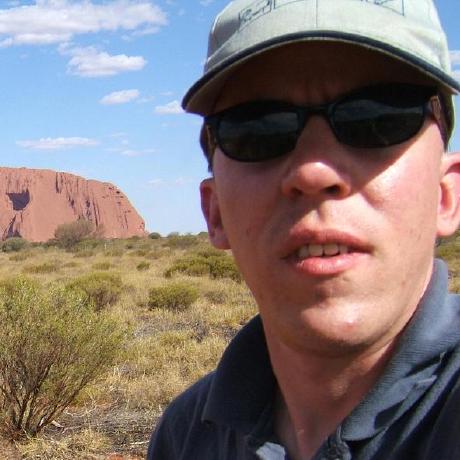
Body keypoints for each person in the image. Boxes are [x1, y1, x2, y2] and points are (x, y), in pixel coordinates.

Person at [148, 0, 460, 458]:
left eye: (378, 119)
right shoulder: (188, 436)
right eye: (258, 130)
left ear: (446, 195)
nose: (314, 171)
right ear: (215, 215)